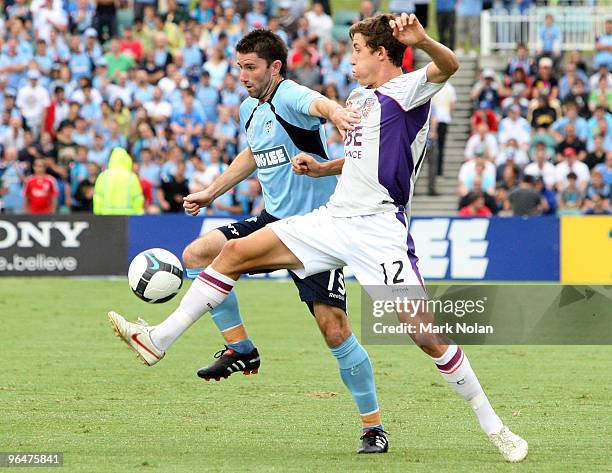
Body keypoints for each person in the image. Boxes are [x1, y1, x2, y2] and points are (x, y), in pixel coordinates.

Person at [109, 14, 527, 462]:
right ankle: (159, 340)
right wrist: (323, 166)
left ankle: (493, 425)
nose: (350, 60)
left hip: (379, 230)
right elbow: (358, 160)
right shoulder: (358, 99)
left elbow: (449, 66)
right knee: (231, 253)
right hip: (332, 218)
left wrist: (422, 40)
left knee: (426, 336)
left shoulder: (406, 90)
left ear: (381, 54)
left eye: (357, 51)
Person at [108, 29, 387, 454]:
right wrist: (211, 192)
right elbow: (254, 155)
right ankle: (240, 347)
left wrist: (336, 115)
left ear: (275, 67)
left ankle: (373, 427)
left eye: (251, 67)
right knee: (199, 253)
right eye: (239, 66)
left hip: (316, 231)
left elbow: (318, 103)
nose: (242, 75)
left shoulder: (289, 93)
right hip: (273, 221)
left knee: (335, 330)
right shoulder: (249, 109)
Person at [93, 147, 144, 215]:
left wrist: (98, 212)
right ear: (127, 159)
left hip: (106, 214)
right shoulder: (131, 177)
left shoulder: (103, 176)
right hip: (128, 214)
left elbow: (98, 196)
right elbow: (137, 197)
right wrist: (138, 212)